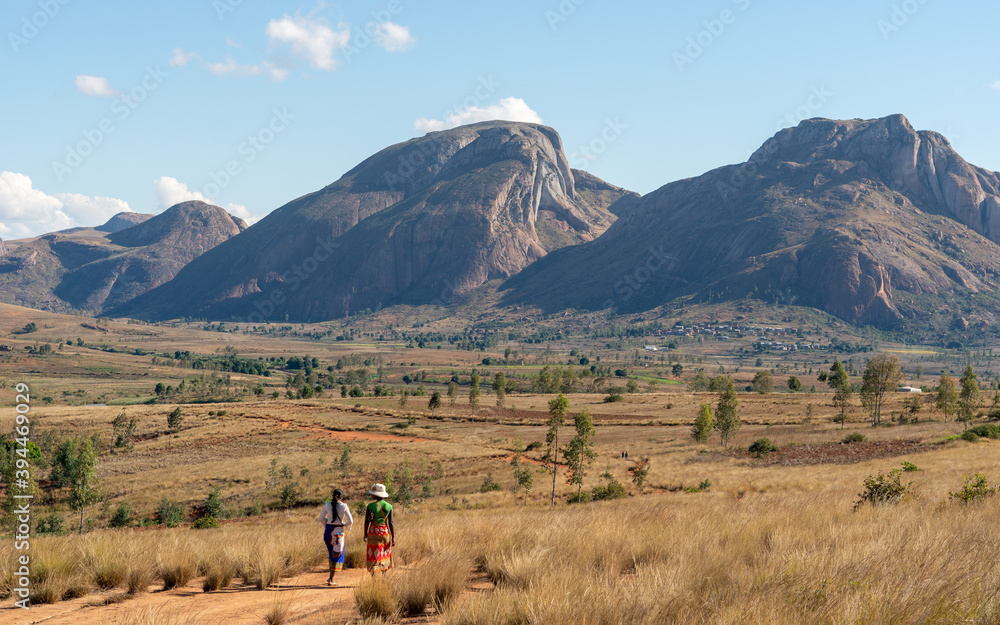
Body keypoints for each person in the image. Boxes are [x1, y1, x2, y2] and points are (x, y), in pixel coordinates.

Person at [319, 488, 353, 586]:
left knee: (331, 553)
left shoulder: (327, 505)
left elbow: (321, 518)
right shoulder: (344, 506)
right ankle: (331, 579)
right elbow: (350, 521)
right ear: (341, 497)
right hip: (338, 532)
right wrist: (343, 524)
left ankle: (330, 578)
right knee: (336, 553)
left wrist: (327, 524)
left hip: (328, 532)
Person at [363, 483, 394, 574]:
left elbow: (367, 521)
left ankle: (373, 577)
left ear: (376, 494)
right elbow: (391, 523)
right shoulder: (389, 506)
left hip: (373, 532)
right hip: (384, 531)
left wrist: (365, 534)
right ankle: (383, 576)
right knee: (384, 553)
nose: (371, 495)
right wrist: (393, 537)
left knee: (373, 554)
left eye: (373, 493)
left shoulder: (370, 506)